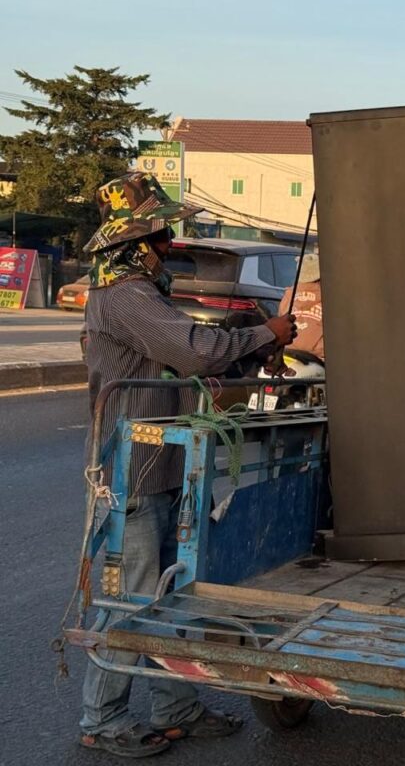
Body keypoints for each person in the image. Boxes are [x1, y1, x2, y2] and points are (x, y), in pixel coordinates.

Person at [78, 172, 297, 758]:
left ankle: (176, 705)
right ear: (134, 242)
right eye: (161, 235)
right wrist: (266, 331)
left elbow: (195, 367)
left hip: (169, 463)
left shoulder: (142, 292)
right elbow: (193, 351)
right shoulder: (123, 294)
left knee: (174, 593)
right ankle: (102, 717)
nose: (170, 244)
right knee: (134, 596)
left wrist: (255, 347)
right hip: (136, 468)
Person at [278, 251, 325, 361]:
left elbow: (281, 318)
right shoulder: (329, 296)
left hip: (288, 352)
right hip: (318, 356)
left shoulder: (289, 295)